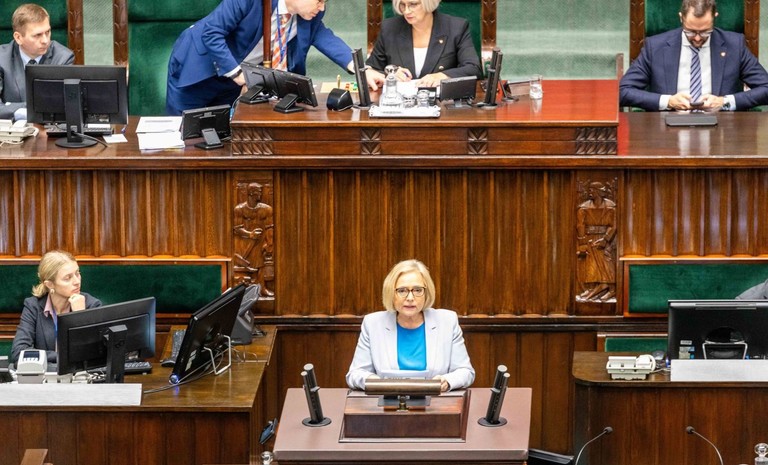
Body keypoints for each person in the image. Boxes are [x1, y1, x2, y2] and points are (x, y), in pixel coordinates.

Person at [166, 0, 355, 116]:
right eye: (319, 0)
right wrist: (237, 74)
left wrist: (359, 68)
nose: (322, 7)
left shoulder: (310, 15)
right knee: (183, 136)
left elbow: (324, 37)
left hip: (235, 80)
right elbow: (211, 32)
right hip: (199, 67)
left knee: (222, 137)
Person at [346, 259, 475, 392]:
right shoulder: (373, 323)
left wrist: (447, 381)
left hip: (435, 401)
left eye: (418, 290)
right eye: (402, 291)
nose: (410, 298)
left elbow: (465, 371)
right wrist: (378, 383)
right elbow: (355, 374)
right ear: (391, 293)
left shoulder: (447, 321)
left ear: (426, 293)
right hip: (388, 402)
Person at [619, 0, 768, 112]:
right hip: (668, 127)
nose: (697, 38)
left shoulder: (734, 45)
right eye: (690, 31)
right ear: (681, 18)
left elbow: (765, 88)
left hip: (721, 128)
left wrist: (724, 102)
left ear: (715, 17)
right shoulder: (655, 47)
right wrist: (668, 101)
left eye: (705, 32)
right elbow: (623, 91)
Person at [365, 0, 482, 90]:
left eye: (413, 4)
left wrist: (441, 76)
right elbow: (372, 68)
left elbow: (473, 69)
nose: (406, 11)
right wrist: (390, 74)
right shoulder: (390, 28)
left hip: (442, 105)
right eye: (402, 5)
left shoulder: (456, 27)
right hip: (399, 104)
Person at [11, 251, 101, 366]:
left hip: (79, 377)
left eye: (77, 273)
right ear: (50, 284)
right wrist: (60, 357)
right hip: (44, 376)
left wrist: (80, 316)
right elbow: (19, 353)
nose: (77, 281)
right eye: (67, 278)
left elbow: (93, 355)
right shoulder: (33, 306)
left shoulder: (91, 305)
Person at [0, 3, 75, 120]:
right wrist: (27, 110)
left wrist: (12, 107)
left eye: (47, 32)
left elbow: (61, 106)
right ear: (18, 37)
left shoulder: (63, 58)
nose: (45, 40)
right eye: (37, 35)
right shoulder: (2, 58)